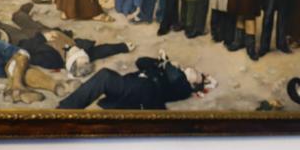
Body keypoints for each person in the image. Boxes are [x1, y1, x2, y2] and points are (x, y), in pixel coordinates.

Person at [56, 53, 205, 111]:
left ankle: (64, 110)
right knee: (105, 76)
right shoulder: (170, 69)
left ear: (193, 84)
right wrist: (159, 61)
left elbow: (175, 78)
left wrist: (168, 63)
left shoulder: (183, 86)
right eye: (195, 70)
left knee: (105, 76)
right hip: (132, 84)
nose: (194, 70)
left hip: (143, 91)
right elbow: (140, 62)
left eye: (197, 75)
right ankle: (67, 108)